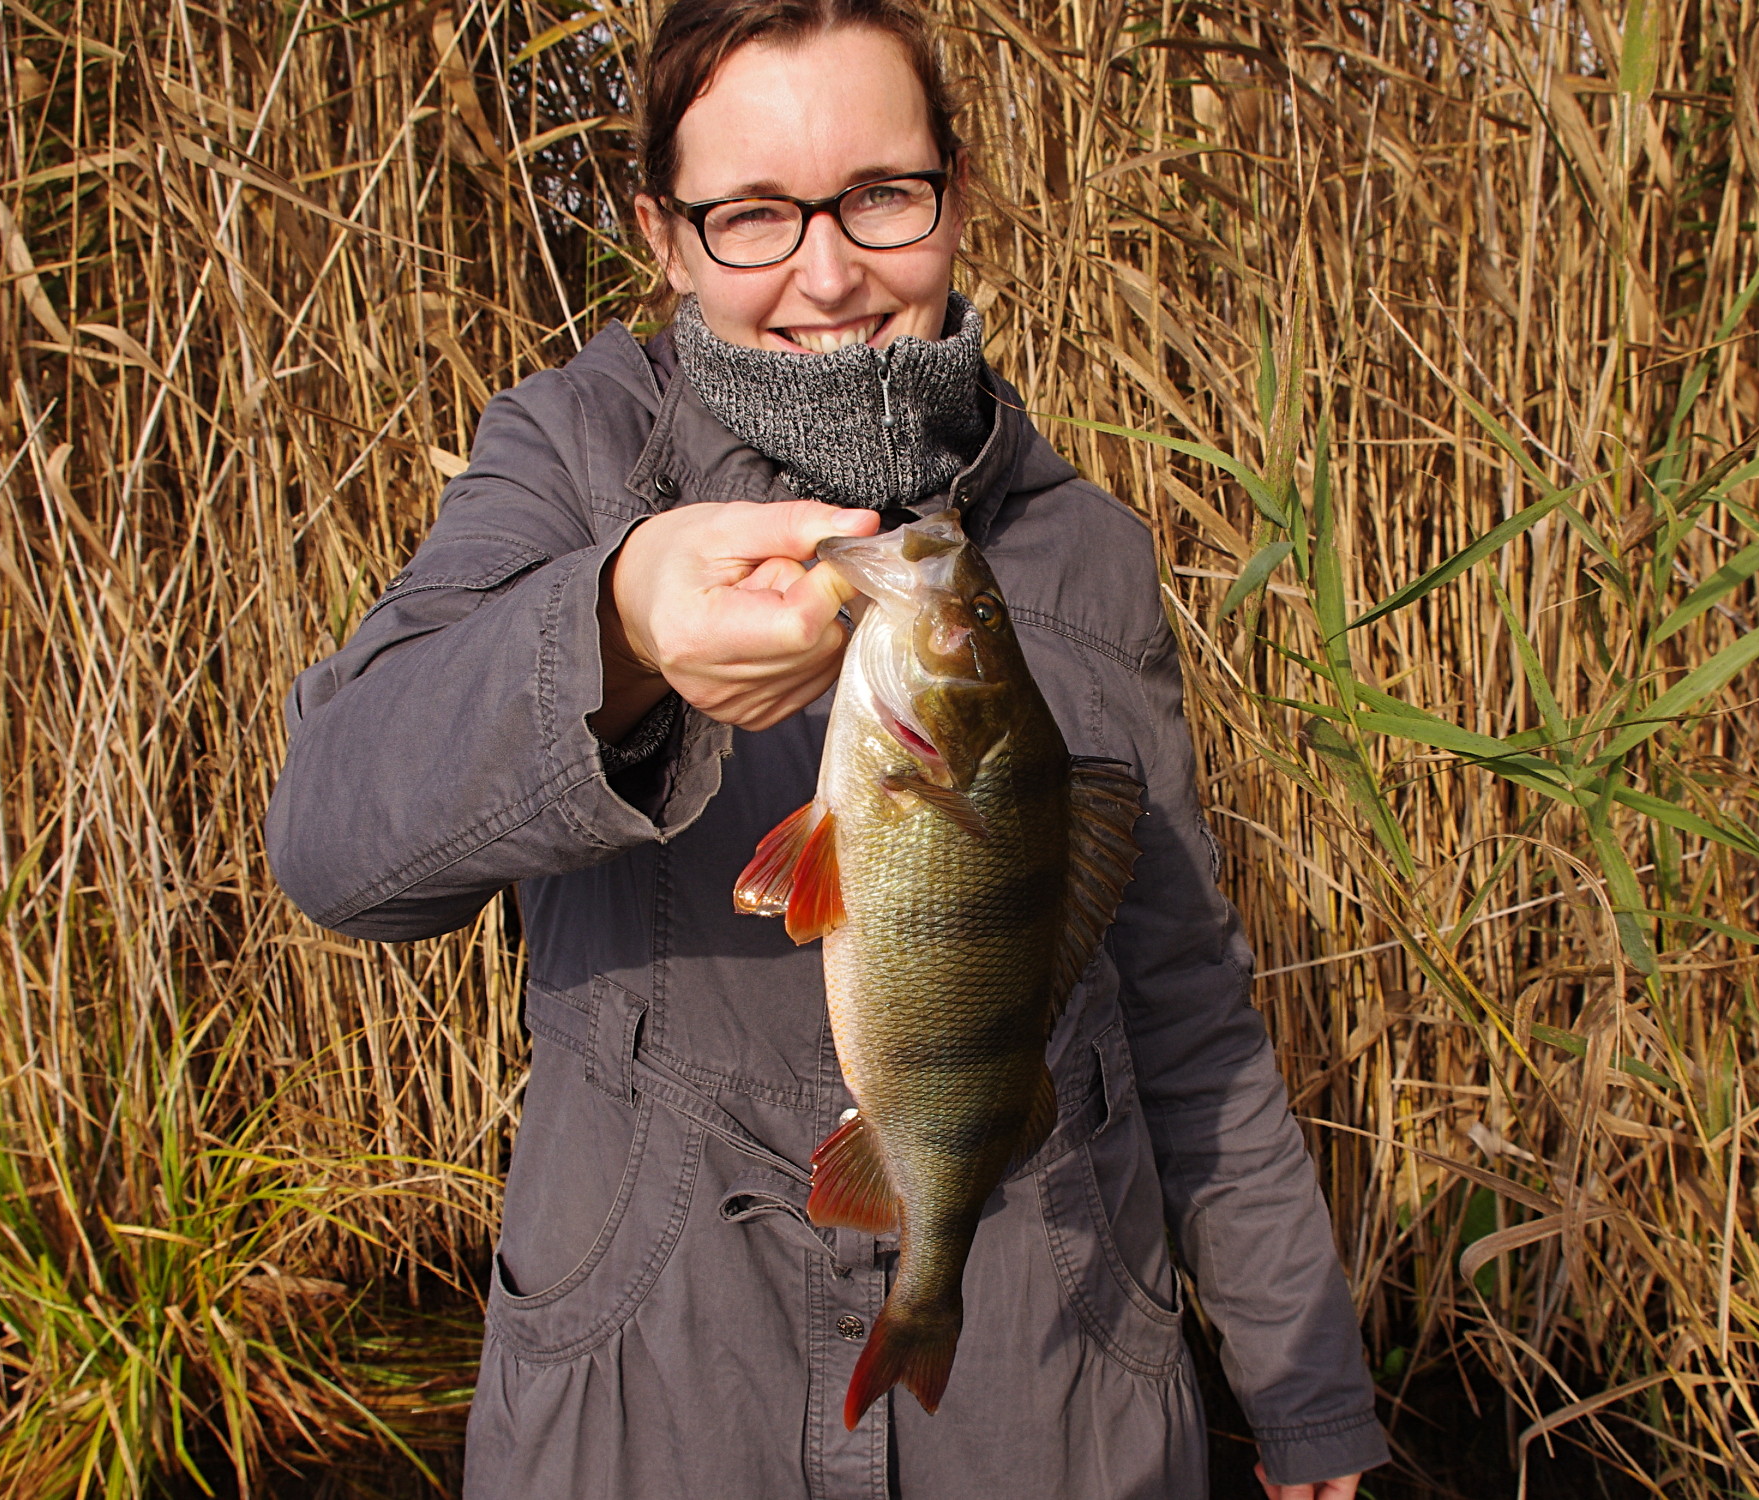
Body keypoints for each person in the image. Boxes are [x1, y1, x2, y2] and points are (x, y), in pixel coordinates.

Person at [264, 0, 1389, 1494]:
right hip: (655, 1392)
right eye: (754, 215)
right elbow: (336, 845)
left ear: (955, 198)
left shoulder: (1087, 553)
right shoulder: (567, 461)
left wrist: (1302, 1386)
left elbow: (1183, 1002)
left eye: (880, 195)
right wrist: (618, 627)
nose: (830, 269)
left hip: (1047, 1391)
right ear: (664, 236)